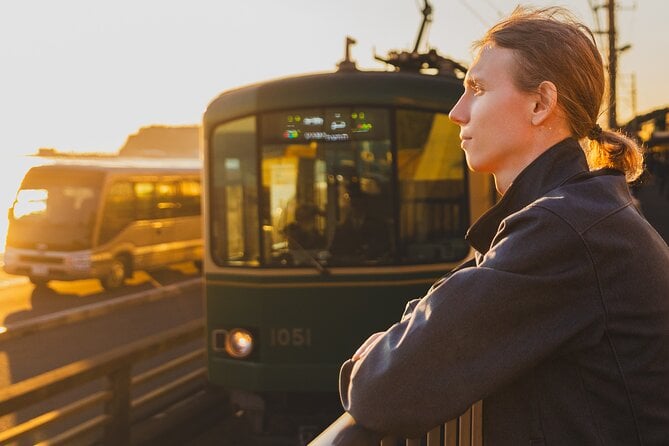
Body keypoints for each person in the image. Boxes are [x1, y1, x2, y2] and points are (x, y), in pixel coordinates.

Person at [338, 6, 669, 444]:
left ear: (540, 103)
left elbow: (381, 390)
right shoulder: (583, 212)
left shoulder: (565, 229)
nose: (458, 112)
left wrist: (383, 351)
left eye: (477, 89)